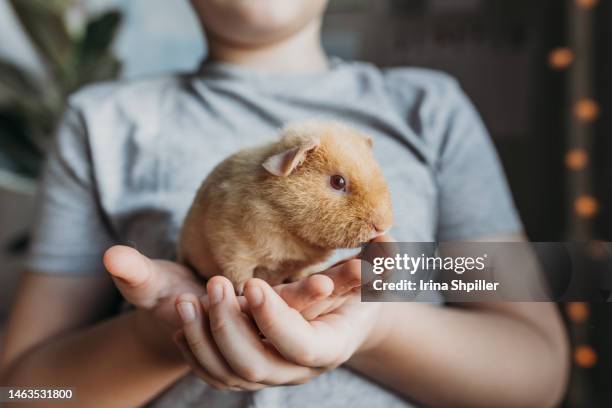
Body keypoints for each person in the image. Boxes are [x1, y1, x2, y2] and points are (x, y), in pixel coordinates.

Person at [0, 0, 569, 407]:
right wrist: (166, 333)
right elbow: (22, 393)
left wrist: (373, 331)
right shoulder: (100, 122)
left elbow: (539, 375)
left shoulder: (430, 107)